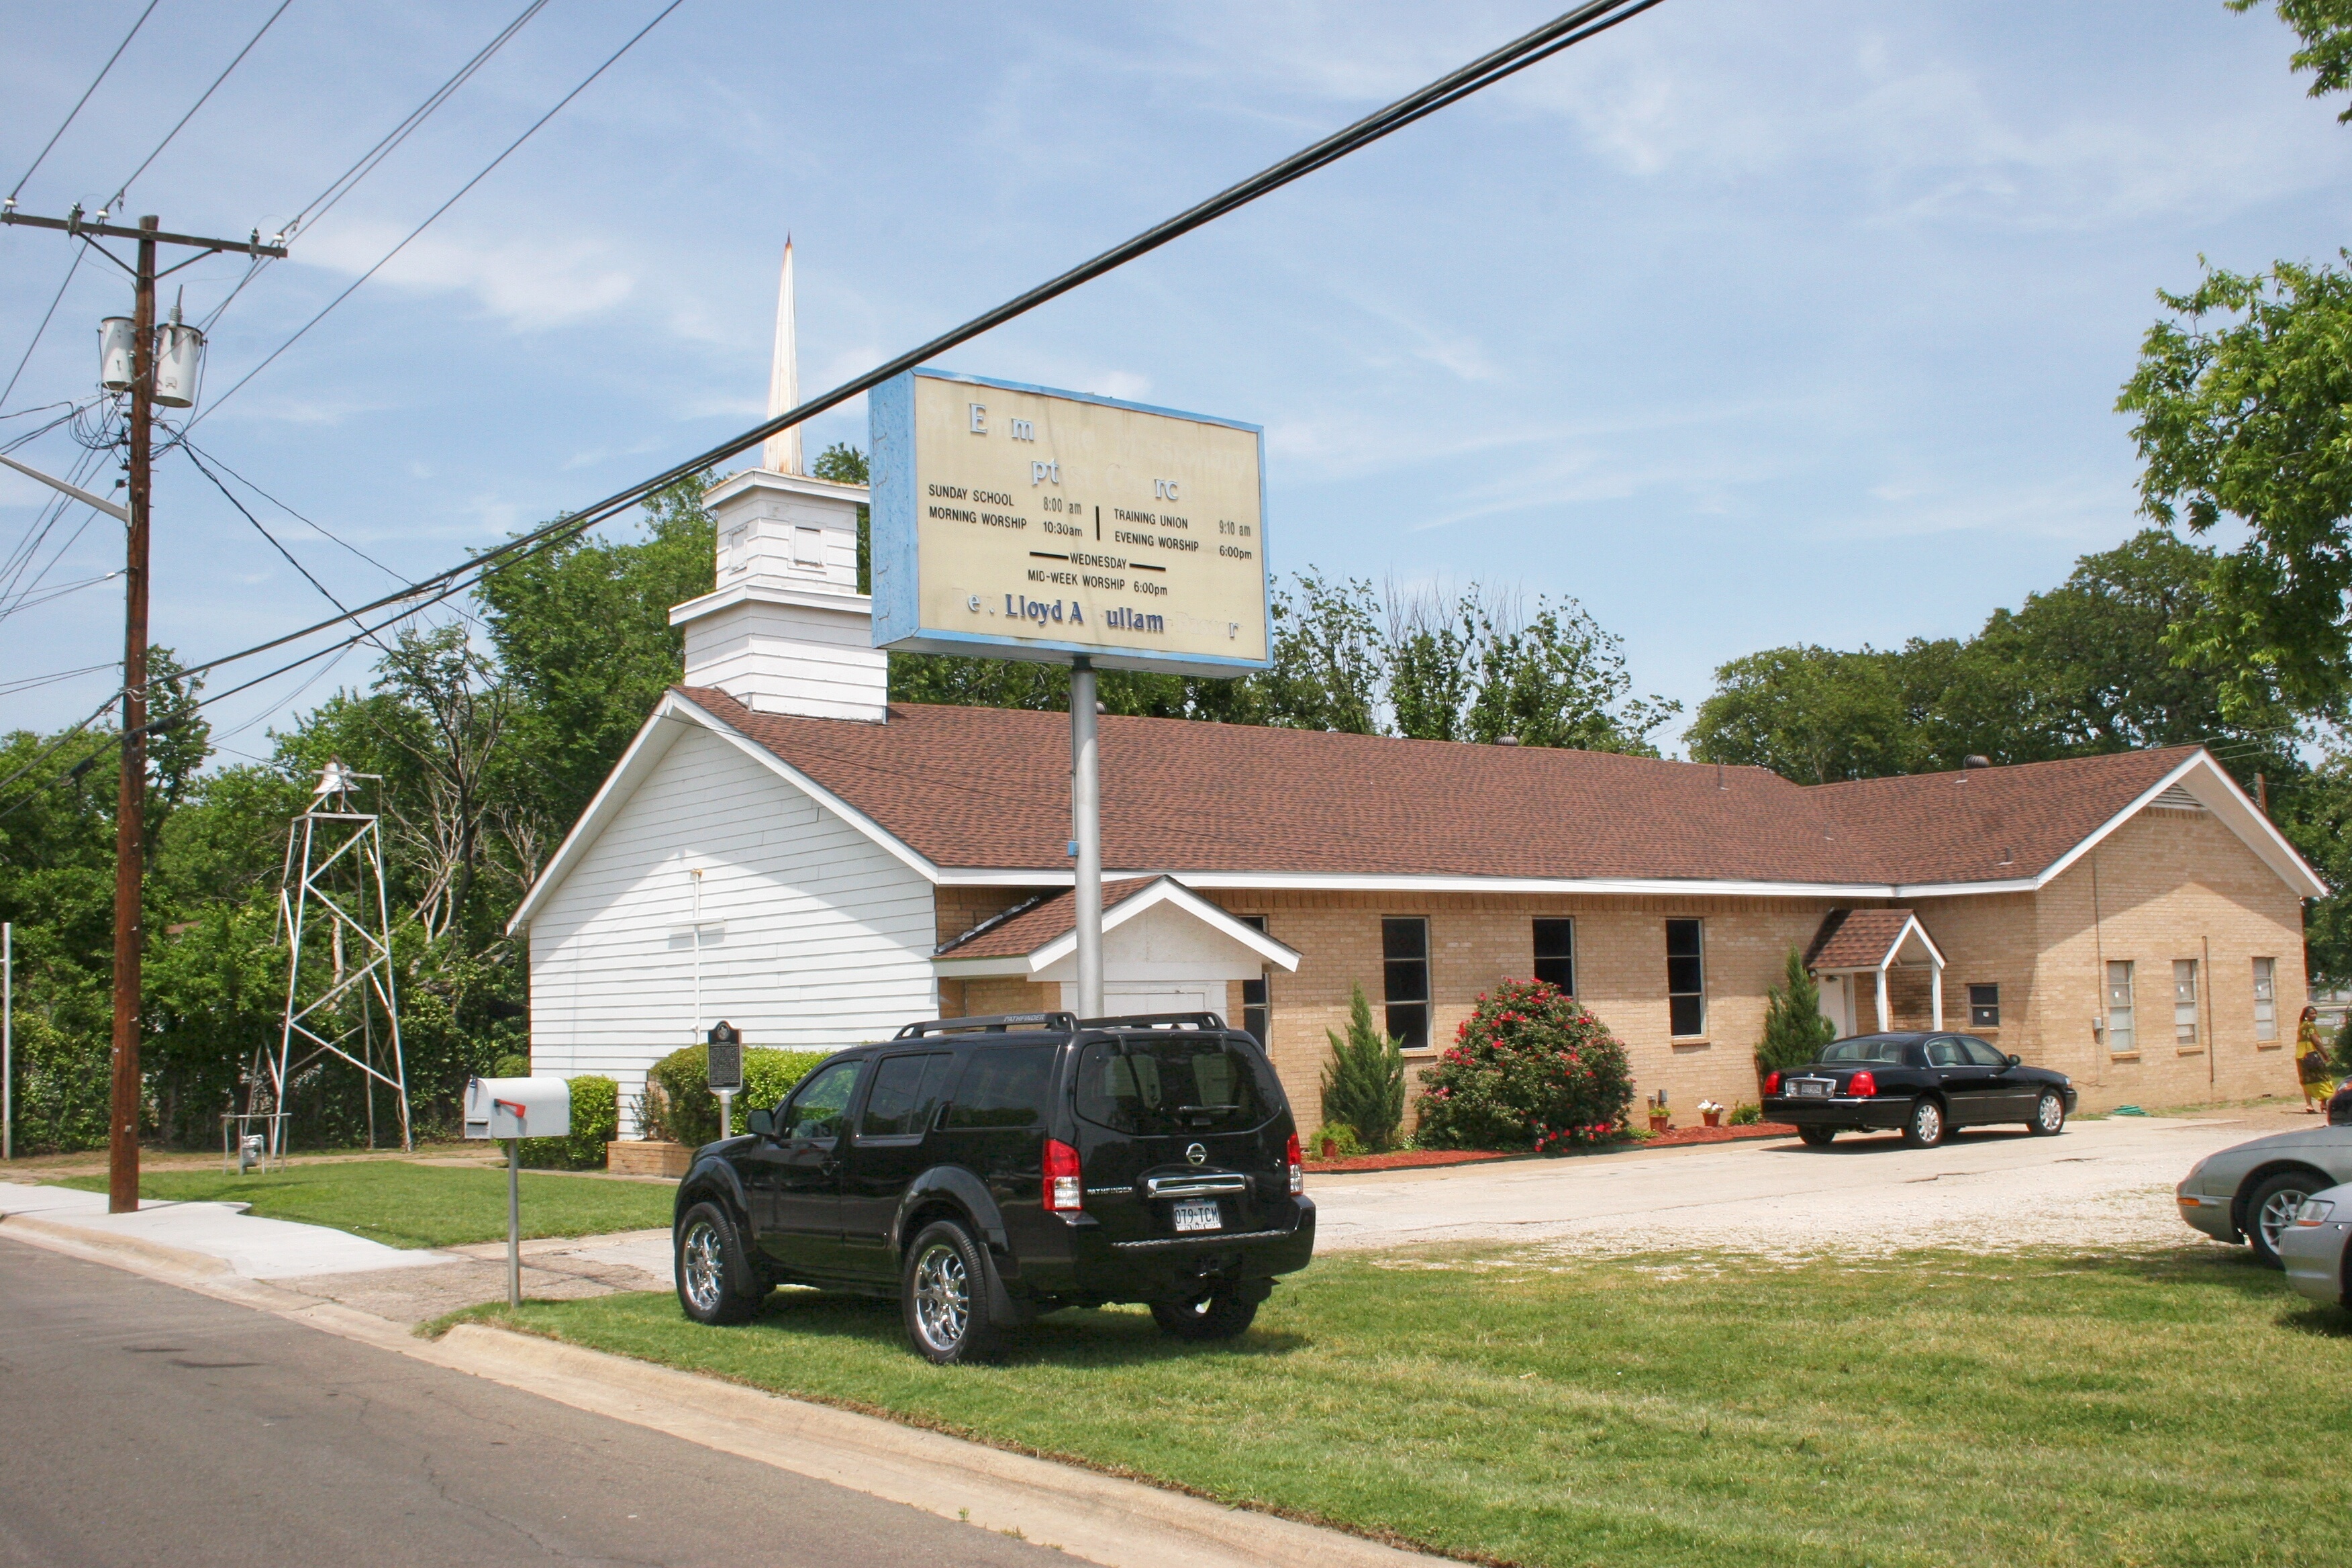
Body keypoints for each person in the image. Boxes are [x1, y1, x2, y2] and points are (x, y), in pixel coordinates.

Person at [2296, 1006, 2335, 1113]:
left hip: (2300, 1057)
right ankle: (2323, 1103)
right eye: (2312, 1013)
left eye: (2315, 1013)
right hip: (2310, 1055)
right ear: (2306, 1015)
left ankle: (2309, 1105)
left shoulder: (2302, 1025)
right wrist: (2326, 1055)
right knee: (2324, 1078)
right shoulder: (2310, 1025)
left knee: (2307, 1080)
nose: (2314, 1015)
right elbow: (2316, 1042)